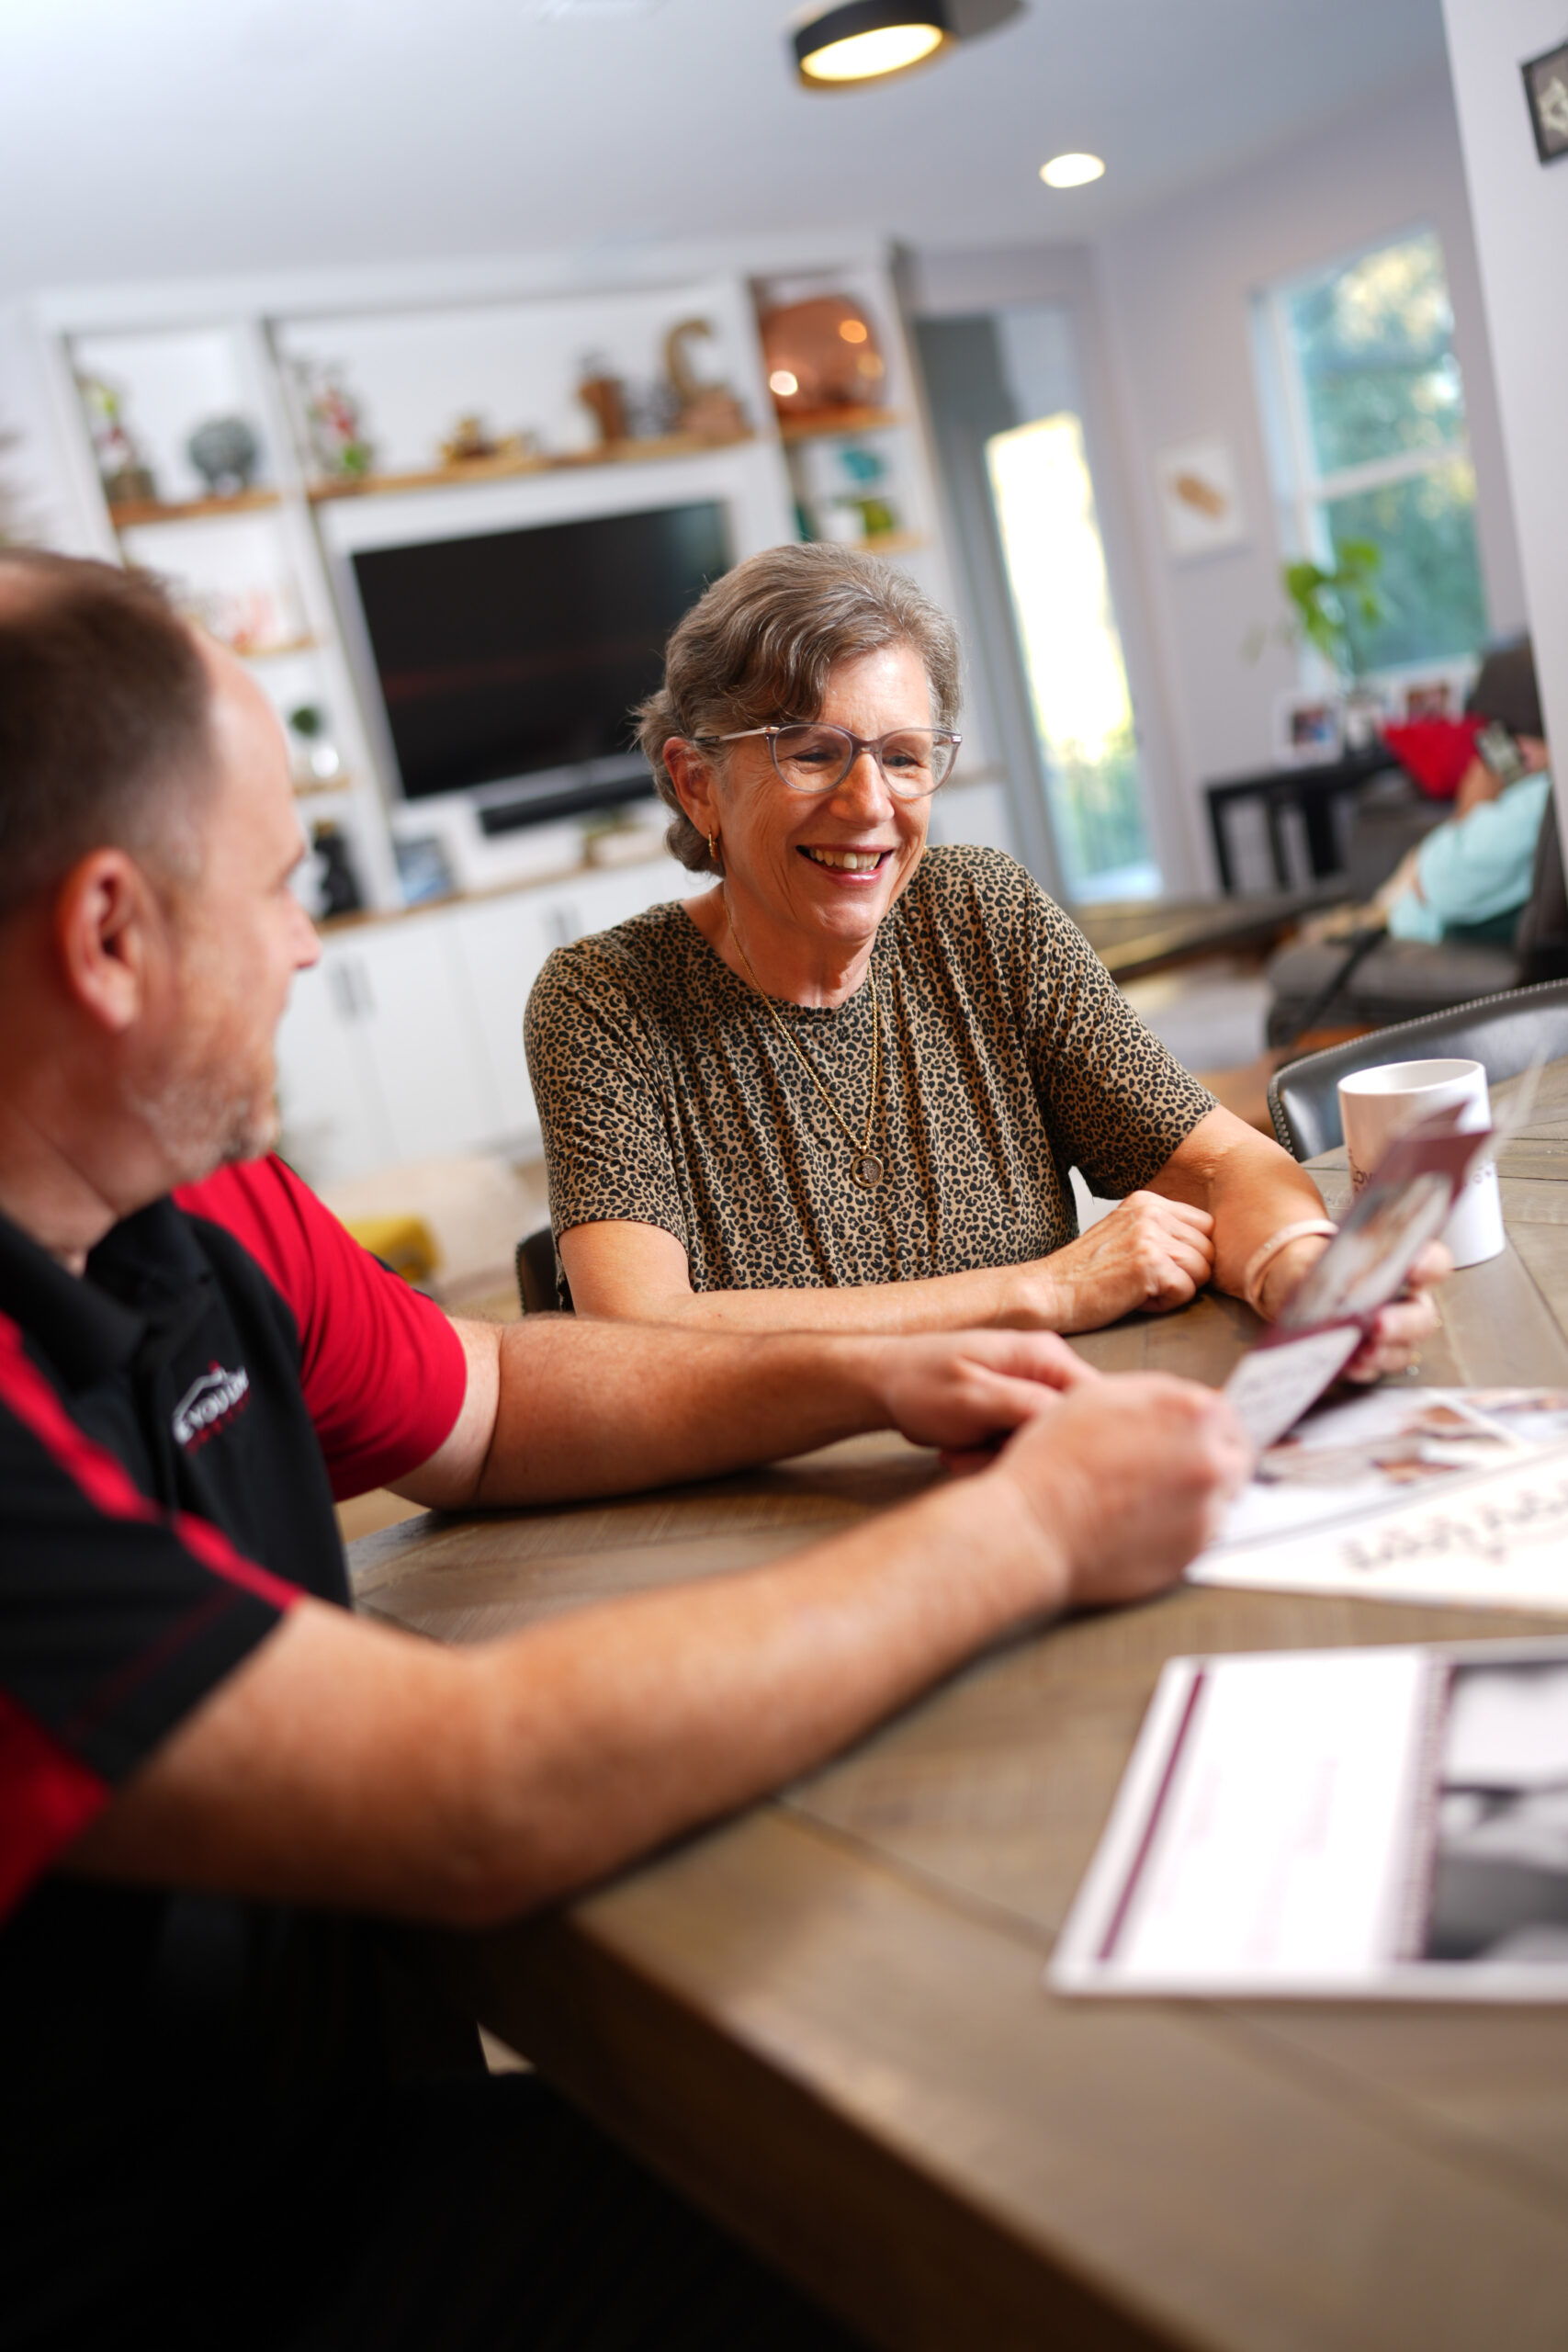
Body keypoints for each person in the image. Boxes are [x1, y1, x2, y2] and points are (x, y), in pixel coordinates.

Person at [0, 551, 1250, 2346]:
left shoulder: (211, 1210)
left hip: (335, 2138)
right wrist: (1028, 1532)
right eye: (282, 884)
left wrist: (875, 1370)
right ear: (112, 935)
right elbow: (471, 1788)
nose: (310, 943)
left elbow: (495, 1401)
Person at [525, 544, 1439, 1371]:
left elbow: (1218, 1165)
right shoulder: (603, 1000)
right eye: (811, 753)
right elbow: (637, 1330)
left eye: (903, 757)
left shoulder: (980, 916)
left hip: (1035, 1442)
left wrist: (1301, 1270)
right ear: (697, 783)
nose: (868, 804)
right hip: (785, 1482)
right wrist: (1039, 1290)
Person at [1383, 638, 1553, 946]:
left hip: (1434, 946)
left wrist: (1471, 810)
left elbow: (1430, 885)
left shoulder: (1531, 804)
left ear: (1522, 746)